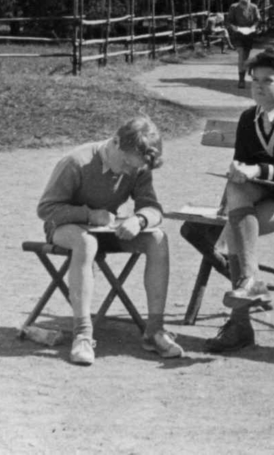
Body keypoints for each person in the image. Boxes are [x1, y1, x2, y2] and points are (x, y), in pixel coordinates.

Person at [185, 46, 274, 354]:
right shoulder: (248, 118)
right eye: (255, 81)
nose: (260, 87)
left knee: (239, 228)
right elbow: (242, 167)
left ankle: (240, 325)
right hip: (261, 193)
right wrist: (237, 174)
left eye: (269, 81)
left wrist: (257, 169)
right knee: (236, 197)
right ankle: (250, 283)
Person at [35, 116, 183, 365]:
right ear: (115, 142)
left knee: (157, 238)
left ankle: (154, 331)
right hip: (65, 228)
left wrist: (140, 220)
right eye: (125, 162)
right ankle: (82, 334)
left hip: (106, 229)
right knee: (86, 241)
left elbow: (153, 207)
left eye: (132, 168)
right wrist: (89, 215)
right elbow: (46, 209)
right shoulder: (76, 162)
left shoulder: (137, 165)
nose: (127, 171)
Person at [225, 0, 262, 88]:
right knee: (241, 54)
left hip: (249, 34)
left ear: (249, 3)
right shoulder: (233, 7)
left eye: (246, 5)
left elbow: (258, 19)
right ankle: (241, 80)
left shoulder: (254, 7)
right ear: (239, 2)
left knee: (245, 57)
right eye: (242, 4)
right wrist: (233, 27)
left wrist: (254, 26)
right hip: (238, 33)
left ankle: (243, 75)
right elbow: (228, 21)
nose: (244, 6)